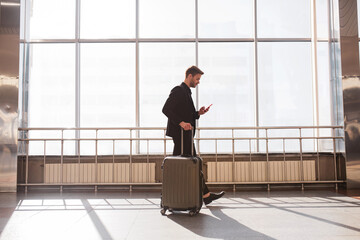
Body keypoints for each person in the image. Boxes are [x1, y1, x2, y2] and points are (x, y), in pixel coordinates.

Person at [162, 65, 225, 205]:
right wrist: (181, 123)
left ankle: (202, 195)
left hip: (186, 136)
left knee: (187, 166)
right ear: (189, 76)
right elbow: (166, 109)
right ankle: (201, 196)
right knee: (192, 165)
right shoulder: (178, 90)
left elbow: (187, 114)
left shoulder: (187, 92)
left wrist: (198, 113)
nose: (198, 82)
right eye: (197, 79)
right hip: (182, 136)